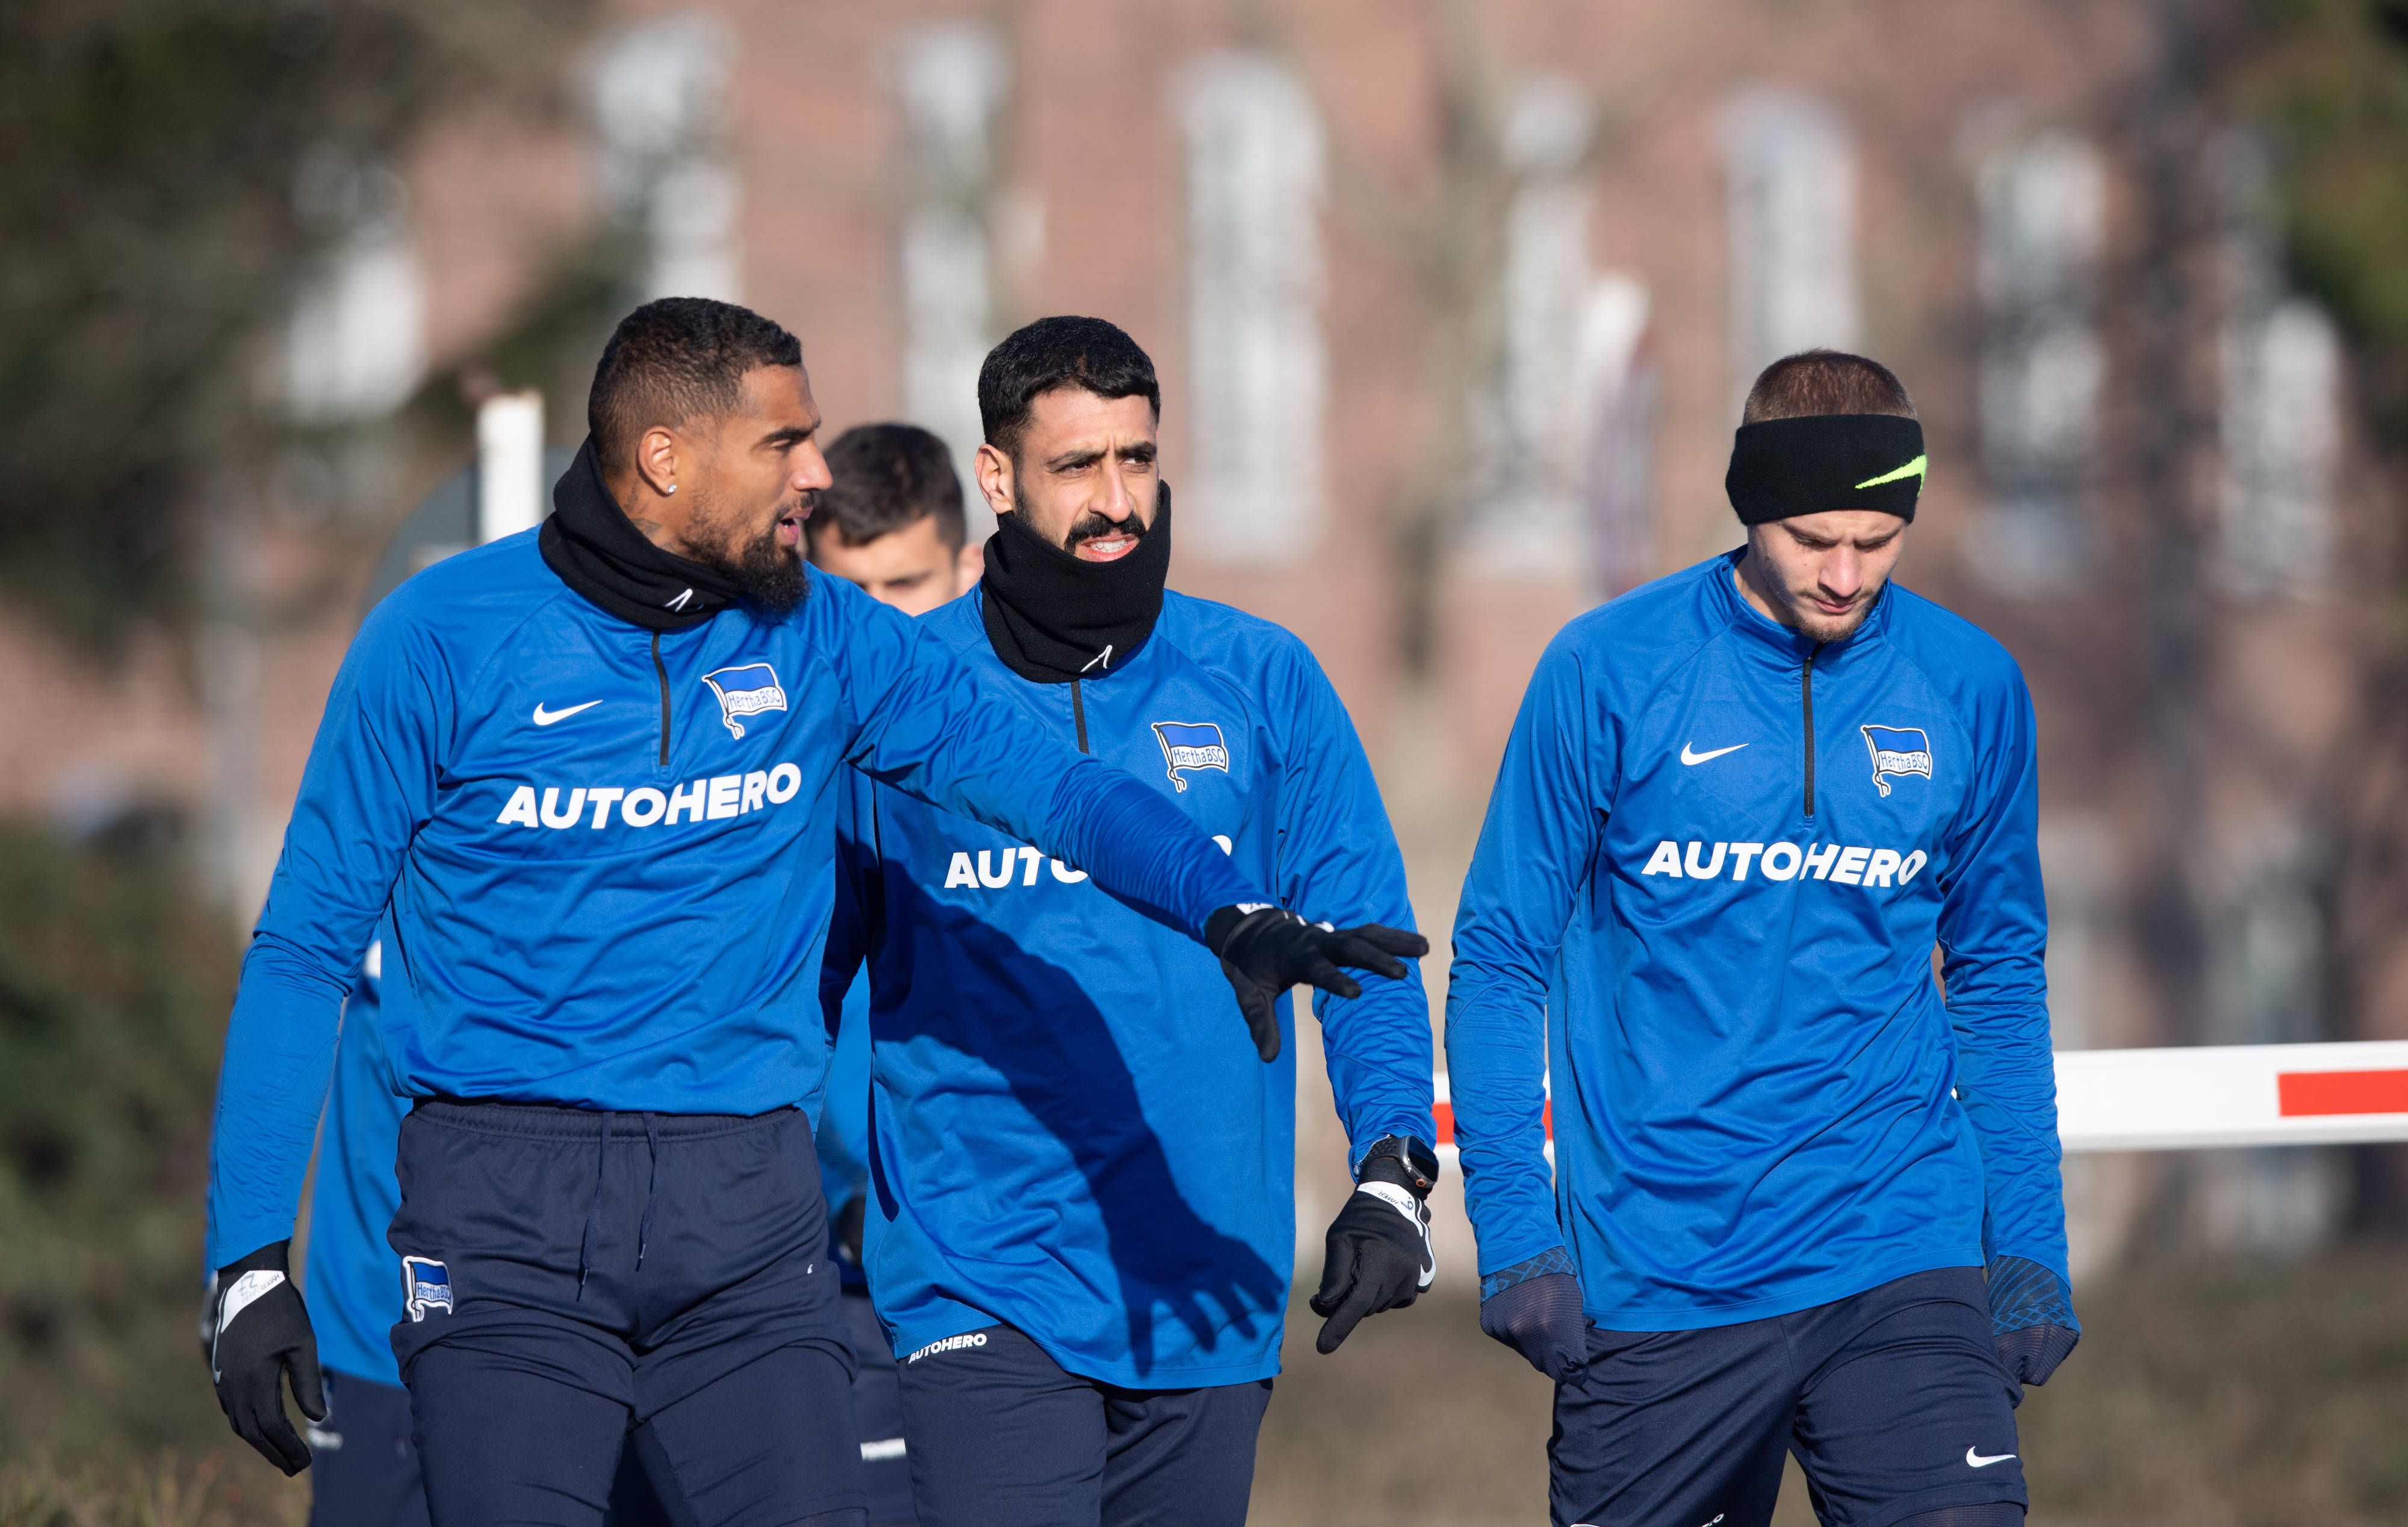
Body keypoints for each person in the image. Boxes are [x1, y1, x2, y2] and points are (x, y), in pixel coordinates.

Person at [200, 296, 1423, 1527]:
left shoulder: (826, 637)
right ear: (665, 459)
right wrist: (249, 1260)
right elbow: (304, 950)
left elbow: (1054, 785)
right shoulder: (438, 639)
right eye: (783, 443)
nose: (817, 473)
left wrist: (1224, 911)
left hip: (744, 1210)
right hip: (505, 1211)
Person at [822, 316, 1440, 1527]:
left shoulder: (1262, 677)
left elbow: (1365, 947)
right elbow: (808, 981)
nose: (1116, 500)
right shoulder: (901, 698)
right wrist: (820, 1177)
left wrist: (1391, 1168)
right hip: (977, 1273)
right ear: (997, 478)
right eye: (1076, 466)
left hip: (1208, 1269)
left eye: (1136, 458)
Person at [1447, 350, 2077, 1527]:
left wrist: (2029, 1243)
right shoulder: (1606, 669)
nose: (1844, 575)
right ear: (1749, 507)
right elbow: (1496, 959)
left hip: (1898, 1244)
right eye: (1810, 538)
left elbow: (1996, 974)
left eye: (1877, 541)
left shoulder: (1969, 686)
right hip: (1662, 1271)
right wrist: (1517, 1234)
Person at [805, 420, 983, 1527]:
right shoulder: (791, 774)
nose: (879, 625)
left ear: (968, 570)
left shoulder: (1018, 778)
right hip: (828, 1278)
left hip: (996, 1272)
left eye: (905, 586)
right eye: (850, 593)